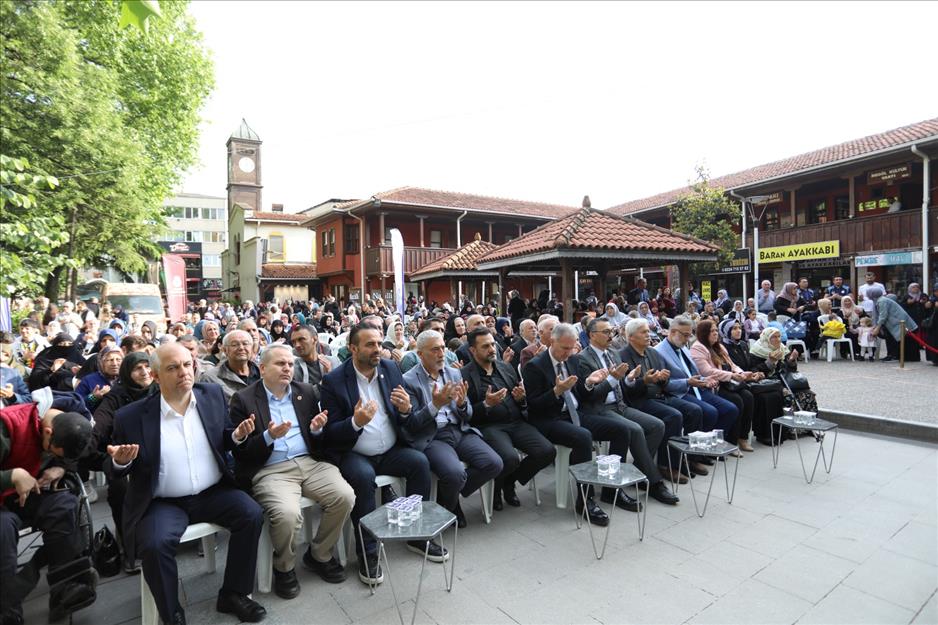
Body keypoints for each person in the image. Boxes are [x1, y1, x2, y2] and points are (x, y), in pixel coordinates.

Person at [108, 343, 267, 625]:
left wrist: (238, 436)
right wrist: (121, 461)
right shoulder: (131, 416)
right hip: (163, 502)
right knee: (155, 545)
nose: (183, 372)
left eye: (186, 364)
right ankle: (172, 615)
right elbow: (116, 469)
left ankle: (233, 594)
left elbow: (225, 437)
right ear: (156, 377)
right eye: (173, 367)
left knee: (252, 514)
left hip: (213, 492)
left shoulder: (211, 395)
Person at [319, 325, 446, 586]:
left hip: (390, 449)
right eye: (370, 345)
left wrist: (405, 409)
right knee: (363, 479)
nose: (377, 349)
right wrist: (355, 422)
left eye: (379, 343)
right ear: (353, 349)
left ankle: (416, 536)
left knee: (420, 463)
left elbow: (405, 417)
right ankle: (368, 553)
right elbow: (330, 433)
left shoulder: (389, 369)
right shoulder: (334, 381)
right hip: (355, 453)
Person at [228, 344, 354, 599]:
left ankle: (319, 554)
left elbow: (319, 440)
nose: (287, 368)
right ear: (262, 369)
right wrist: (267, 437)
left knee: (344, 496)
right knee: (287, 513)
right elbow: (240, 453)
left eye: (290, 364)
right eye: (280, 364)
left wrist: (318, 429)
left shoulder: (305, 392)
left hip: (309, 461)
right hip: (270, 469)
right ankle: (283, 567)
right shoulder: (244, 399)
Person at [1, 406, 97, 624]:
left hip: (27, 493)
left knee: (63, 505)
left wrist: (62, 466)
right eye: (52, 452)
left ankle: (65, 589)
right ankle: (8, 610)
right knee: (4, 529)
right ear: (47, 432)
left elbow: (81, 448)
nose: (51, 455)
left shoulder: (64, 422)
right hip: (5, 496)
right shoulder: (6, 427)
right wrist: (12, 476)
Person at [402, 330, 503, 528]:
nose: (441, 354)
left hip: (459, 429)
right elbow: (412, 423)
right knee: (455, 474)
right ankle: (448, 508)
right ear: (420, 354)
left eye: (443, 348)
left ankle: (450, 496)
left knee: (494, 463)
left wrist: (463, 405)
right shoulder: (408, 380)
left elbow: (469, 414)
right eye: (435, 350)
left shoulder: (453, 372)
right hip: (433, 436)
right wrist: (435, 405)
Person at [576, 318, 679, 505]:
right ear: (592, 335)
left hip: (620, 405)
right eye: (605, 332)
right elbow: (589, 395)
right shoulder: (583, 359)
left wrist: (630, 379)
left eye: (611, 331)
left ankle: (640, 470)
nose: (611, 335)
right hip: (599, 409)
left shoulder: (614, 354)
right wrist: (613, 380)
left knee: (657, 425)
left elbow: (623, 386)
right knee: (634, 430)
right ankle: (653, 482)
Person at [521, 323, 610, 525]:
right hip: (548, 419)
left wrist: (589, 382)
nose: (568, 353)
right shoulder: (535, 366)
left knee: (622, 429)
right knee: (583, 437)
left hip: (575, 413)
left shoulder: (573, 360)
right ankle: (585, 499)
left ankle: (612, 490)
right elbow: (533, 406)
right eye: (564, 348)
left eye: (572, 348)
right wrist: (556, 392)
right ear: (552, 341)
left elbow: (580, 392)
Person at [462, 327, 556, 511]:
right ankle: (496, 489)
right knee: (509, 458)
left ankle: (508, 482)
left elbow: (520, 400)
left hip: (515, 422)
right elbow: (466, 413)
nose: (492, 349)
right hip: (489, 426)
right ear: (472, 350)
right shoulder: (465, 375)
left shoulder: (505, 367)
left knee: (547, 451)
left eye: (492, 344)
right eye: (485, 346)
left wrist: (521, 398)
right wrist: (487, 404)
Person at [654, 317, 739, 466]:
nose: (688, 338)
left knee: (730, 409)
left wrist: (706, 380)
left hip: (695, 387)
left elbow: (693, 372)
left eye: (690, 334)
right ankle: (694, 455)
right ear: (673, 332)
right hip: (678, 392)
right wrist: (687, 382)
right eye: (685, 335)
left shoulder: (683, 347)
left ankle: (708, 447)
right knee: (707, 411)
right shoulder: (659, 351)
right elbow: (663, 384)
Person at [690, 320, 755, 453]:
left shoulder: (719, 347)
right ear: (703, 333)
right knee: (737, 401)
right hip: (713, 385)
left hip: (727, 383)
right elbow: (707, 371)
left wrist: (741, 373)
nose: (715, 334)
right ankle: (731, 441)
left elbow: (731, 365)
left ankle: (742, 437)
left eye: (715, 330)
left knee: (748, 397)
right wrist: (732, 376)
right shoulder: (698, 347)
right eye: (711, 331)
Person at [201, 330, 262, 401]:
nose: (241, 348)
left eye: (245, 344)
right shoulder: (210, 378)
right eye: (234, 345)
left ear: (252, 348)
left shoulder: (263, 372)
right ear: (225, 350)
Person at [868, 285, 919, 362]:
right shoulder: (879, 300)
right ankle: (898, 356)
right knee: (900, 340)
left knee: (904, 340)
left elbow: (883, 316)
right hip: (896, 322)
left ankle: (899, 357)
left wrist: (877, 328)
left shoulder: (882, 301)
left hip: (899, 322)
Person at [75, 346, 122, 412]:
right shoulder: (89, 380)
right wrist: (94, 397)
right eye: (110, 360)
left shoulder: (128, 379)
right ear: (101, 362)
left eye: (118, 359)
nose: (114, 364)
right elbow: (75, 404)